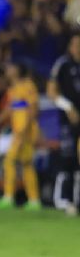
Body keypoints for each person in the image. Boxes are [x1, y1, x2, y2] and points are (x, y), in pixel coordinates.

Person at [0, 62, 41, 211]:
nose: (8, 70)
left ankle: (9, 197)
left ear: (18, 69)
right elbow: (10, 112)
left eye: (11, 67)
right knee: (26, 164)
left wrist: (26, 130)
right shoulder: (12, 89)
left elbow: (33, 109)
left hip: (24, 132)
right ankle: (34, 200)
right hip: (18, 131)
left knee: (10, 161)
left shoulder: (27, 85)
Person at [48, 35, 80, 215]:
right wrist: (68, 107)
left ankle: (76, 201)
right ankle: (63, 200)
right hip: (68, 120)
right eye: (76, 44)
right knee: (68, 159)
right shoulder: (63, 64)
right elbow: (51, 92)